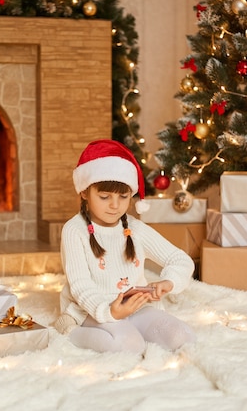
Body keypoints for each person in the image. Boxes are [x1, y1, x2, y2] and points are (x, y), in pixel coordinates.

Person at [54, 139, 196, 354]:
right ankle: (69, 330)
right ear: (84, 192)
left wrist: (170, 281)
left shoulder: (135, 229)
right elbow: (81, 285)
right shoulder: (74, 230)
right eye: (104, 197)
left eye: (123, 196)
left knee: (183, 337)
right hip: (93, 309)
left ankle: (127, 326)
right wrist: (108, 312)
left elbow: (179, 259)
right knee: (128, 346)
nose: (115, 205)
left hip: (136, 307)